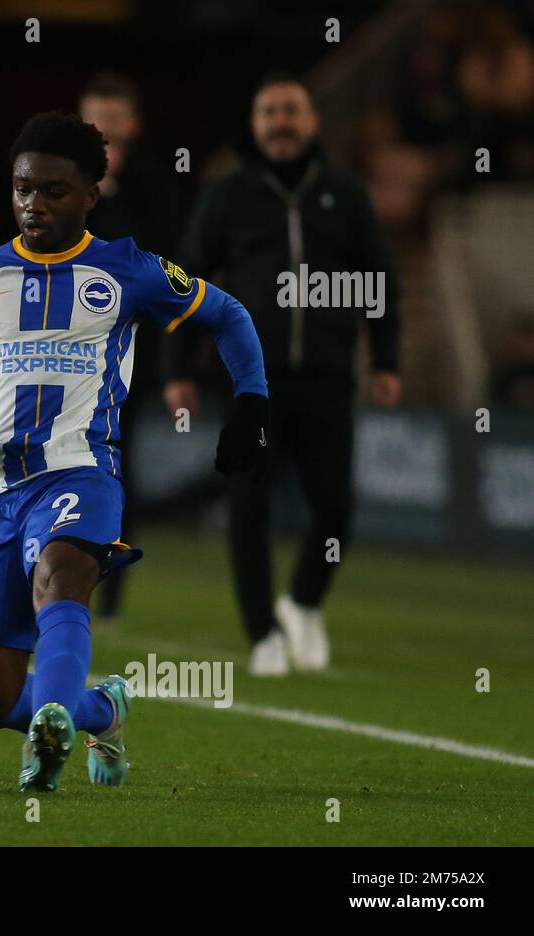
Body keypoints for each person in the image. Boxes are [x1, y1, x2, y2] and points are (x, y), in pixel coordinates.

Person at [0, 112, 269, 792]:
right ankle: (101, 709)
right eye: (23, 189)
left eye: (54, 191)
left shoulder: (128, 269)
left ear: (91, 194)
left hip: (81, 470)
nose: (34, 204)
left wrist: (251, 402)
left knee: (61, 577)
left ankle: (51, 731)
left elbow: (229, 316)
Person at [166, 72, 401, 677]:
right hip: (250, 384)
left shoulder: (346, 195)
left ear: (313, 121)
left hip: (326, 377)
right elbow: (185, 282)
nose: (281, 122)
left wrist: (388, 359)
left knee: (337, 507)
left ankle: (302, 602)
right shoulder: (229, 196)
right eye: (269, 111)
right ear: (255, 123)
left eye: (291, 110)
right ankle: (263, 634)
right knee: (249, 508)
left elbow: (380, 277)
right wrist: (178, 368)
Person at [78, 72, 182, 624]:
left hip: (123, 358)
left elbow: (164, 273)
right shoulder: (58, 186)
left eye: (115, 121)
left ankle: (109, 591)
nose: (106, 131)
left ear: (134, 126)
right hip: (58, 356)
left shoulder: (155, 190)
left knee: (115, 469)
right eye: (96, 120)